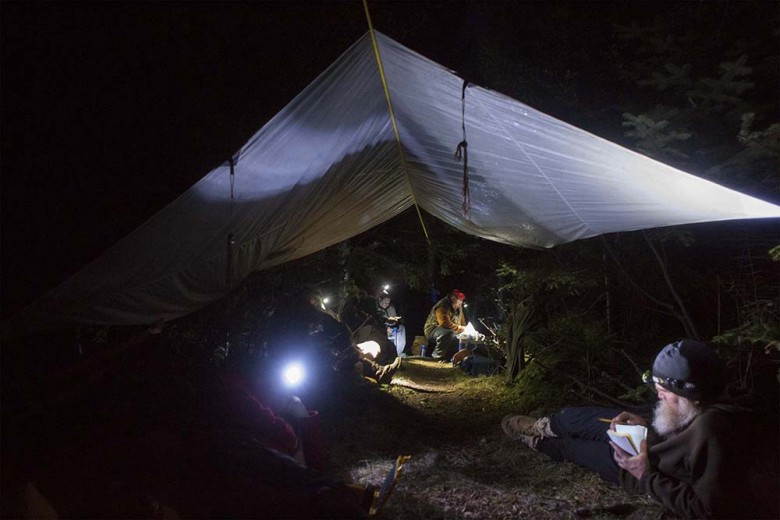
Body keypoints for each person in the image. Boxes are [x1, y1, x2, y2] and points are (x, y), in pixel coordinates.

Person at [501, 340, 779, 519]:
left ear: (685, 394)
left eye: (662, 391)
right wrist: (645, 425)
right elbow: (682, 431)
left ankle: (533, 441)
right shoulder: (727, 397)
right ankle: (542, 426)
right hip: (645, 443)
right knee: (573, 418)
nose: (659, 396)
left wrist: (644, 473)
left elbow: (708, 510)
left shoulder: (714, 431)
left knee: (570, 448)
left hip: (638, 466)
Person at [423, 289, 467, 361]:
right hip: (433, 329)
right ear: (453, 299)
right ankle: (437, 356)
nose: (460, 305)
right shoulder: (442, 305)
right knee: (448, 333)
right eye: (459, 303)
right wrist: (459, 328)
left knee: (462, 336)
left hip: (451, 329)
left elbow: (462, 319)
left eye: (461, 303)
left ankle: (452, 358)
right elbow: (444, 323)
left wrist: (464, 329)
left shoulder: (458, 307)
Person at [377, 292, 407, 357]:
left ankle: (398, 352)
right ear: (380, 300)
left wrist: (394, 322)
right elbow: (377, 322)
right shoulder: (377, 310)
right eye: (384, 303)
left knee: (402, 328)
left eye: (388, 303)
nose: (386, 305)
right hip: (381, 329)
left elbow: (394, 319)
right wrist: (385, 328)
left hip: (391, 327)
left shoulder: (391, 307)